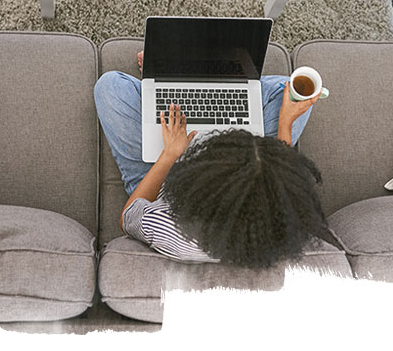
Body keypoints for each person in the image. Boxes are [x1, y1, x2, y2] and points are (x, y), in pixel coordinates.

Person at [93, 50, 327, 267]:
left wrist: (171, 154)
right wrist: (285, 124)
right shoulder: (283, 221)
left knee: (109, 86)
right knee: (292, 94)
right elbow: (278, 179)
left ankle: (185, 76)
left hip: (160, 184)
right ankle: (217, 80)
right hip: (235, 183)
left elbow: (129, 216)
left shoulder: (166, 225)